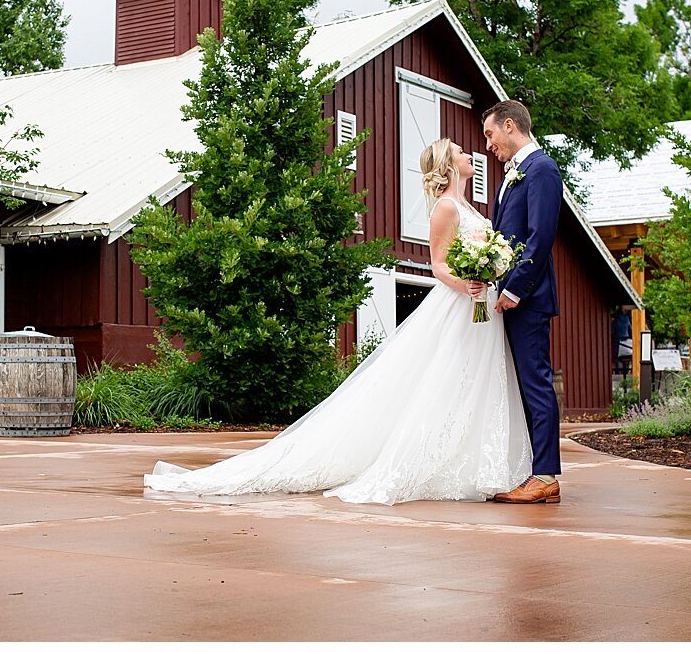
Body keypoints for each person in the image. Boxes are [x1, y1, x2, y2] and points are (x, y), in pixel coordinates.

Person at [144, 138, 531, 505]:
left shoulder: (471, 206)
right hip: (462, 303)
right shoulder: (446, 208)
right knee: (448, 379)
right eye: (461, 152)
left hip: (481, 307)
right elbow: (439, 265)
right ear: (448, 166)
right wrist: (468, 283)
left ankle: (476, 463)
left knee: (474, 382)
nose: (470, 156)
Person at [482, 100, 564, 504]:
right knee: (523, 385)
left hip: (527, 299)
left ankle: (546, 473)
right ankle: (533, 469)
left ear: (509, 125)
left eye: (490, 134)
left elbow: (540, 237)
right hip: (510, 297)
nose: (488, 144)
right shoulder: (513, 174)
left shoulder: (542, 170)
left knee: (536, 384)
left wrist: (514, 289)